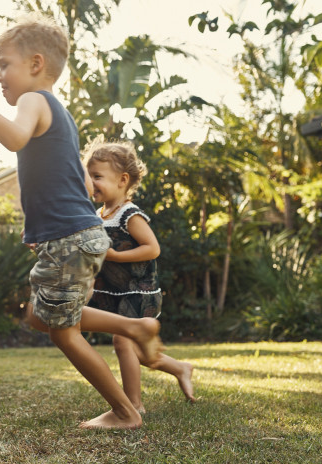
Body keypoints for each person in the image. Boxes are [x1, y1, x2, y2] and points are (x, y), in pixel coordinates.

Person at [0, 14, 162, 430]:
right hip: (73, 234)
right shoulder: (60, 114)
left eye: (4, 64)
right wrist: (40, 225)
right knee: (40, 315)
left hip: (70, 237)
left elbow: (14, 139)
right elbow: (80, 183)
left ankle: (125, 413)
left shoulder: (34, 101)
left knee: (62, 332)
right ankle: (134, 326)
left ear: (35, 64)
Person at [85, 137, 196, 413]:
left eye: (97, 176)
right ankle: (180, 368)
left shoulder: (129, 214)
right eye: (87, 176)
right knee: (135, 350)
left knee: (123, 340)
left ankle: (134, 404)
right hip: (112, 291)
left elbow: (152, 248)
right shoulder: (99, 215)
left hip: (137, 291)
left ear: (122, 180)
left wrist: (117, 256)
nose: (90, 182)